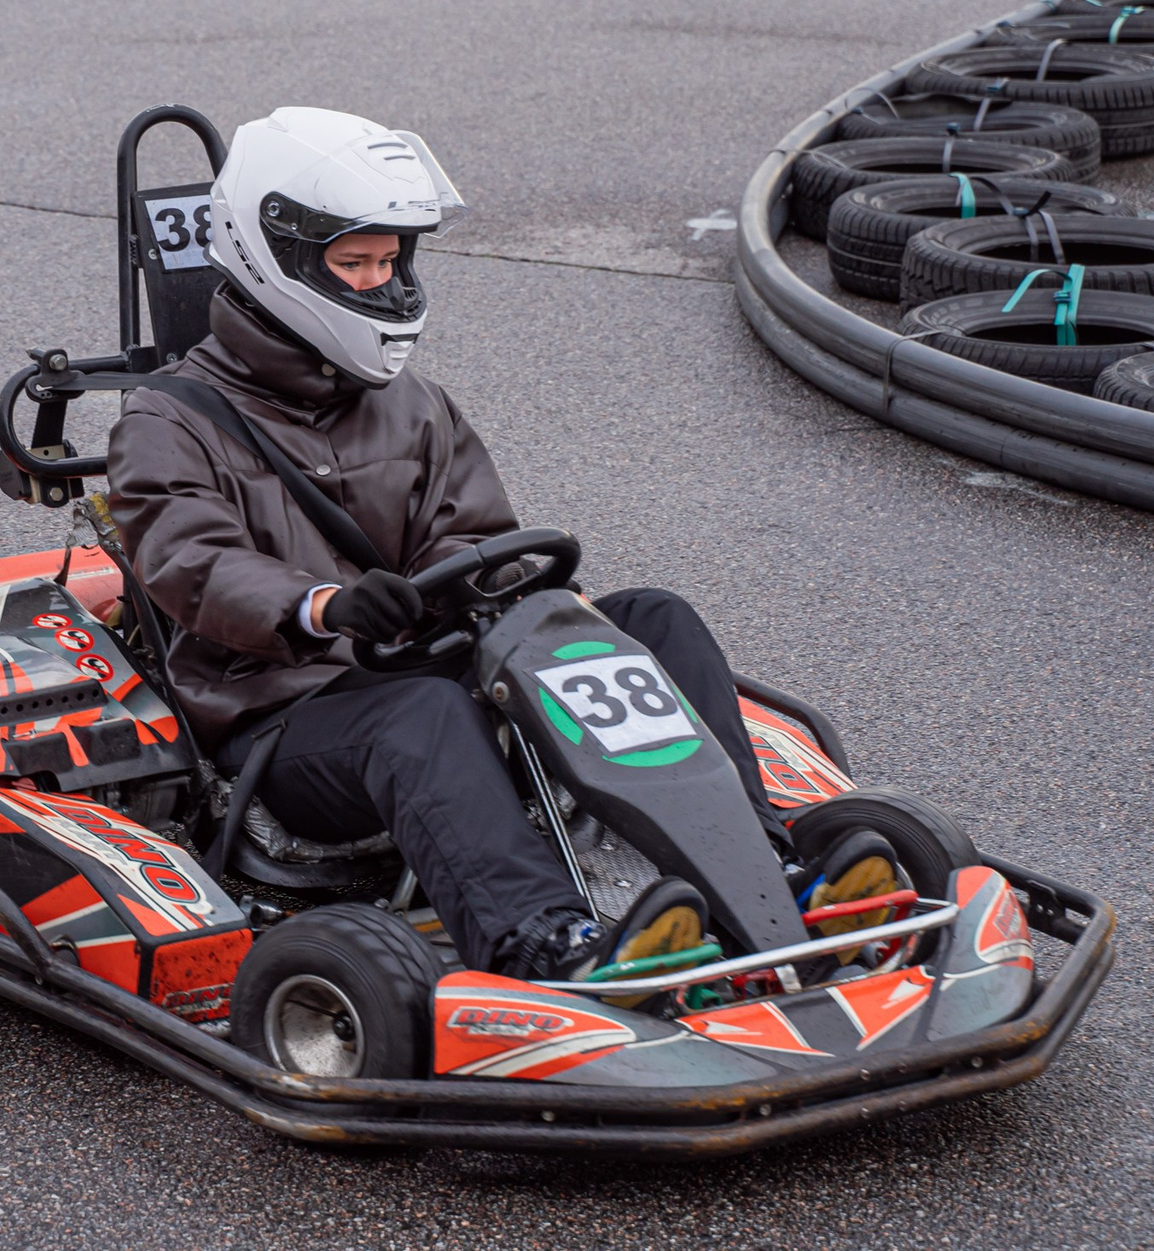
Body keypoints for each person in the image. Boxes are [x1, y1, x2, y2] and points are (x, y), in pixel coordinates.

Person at [105, 106, 848, 985]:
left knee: (655, 615)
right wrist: (320, 605)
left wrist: (491, 590)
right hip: (283, 714)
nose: (381, 284)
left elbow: (476, 535)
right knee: (422, 717)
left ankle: (762, 873)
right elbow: (193, 561)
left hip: (424, 663)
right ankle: (545, 940)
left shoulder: (411, 401)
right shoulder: (167, 419)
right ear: (280, 264)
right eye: (355, 263)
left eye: (390, 260)